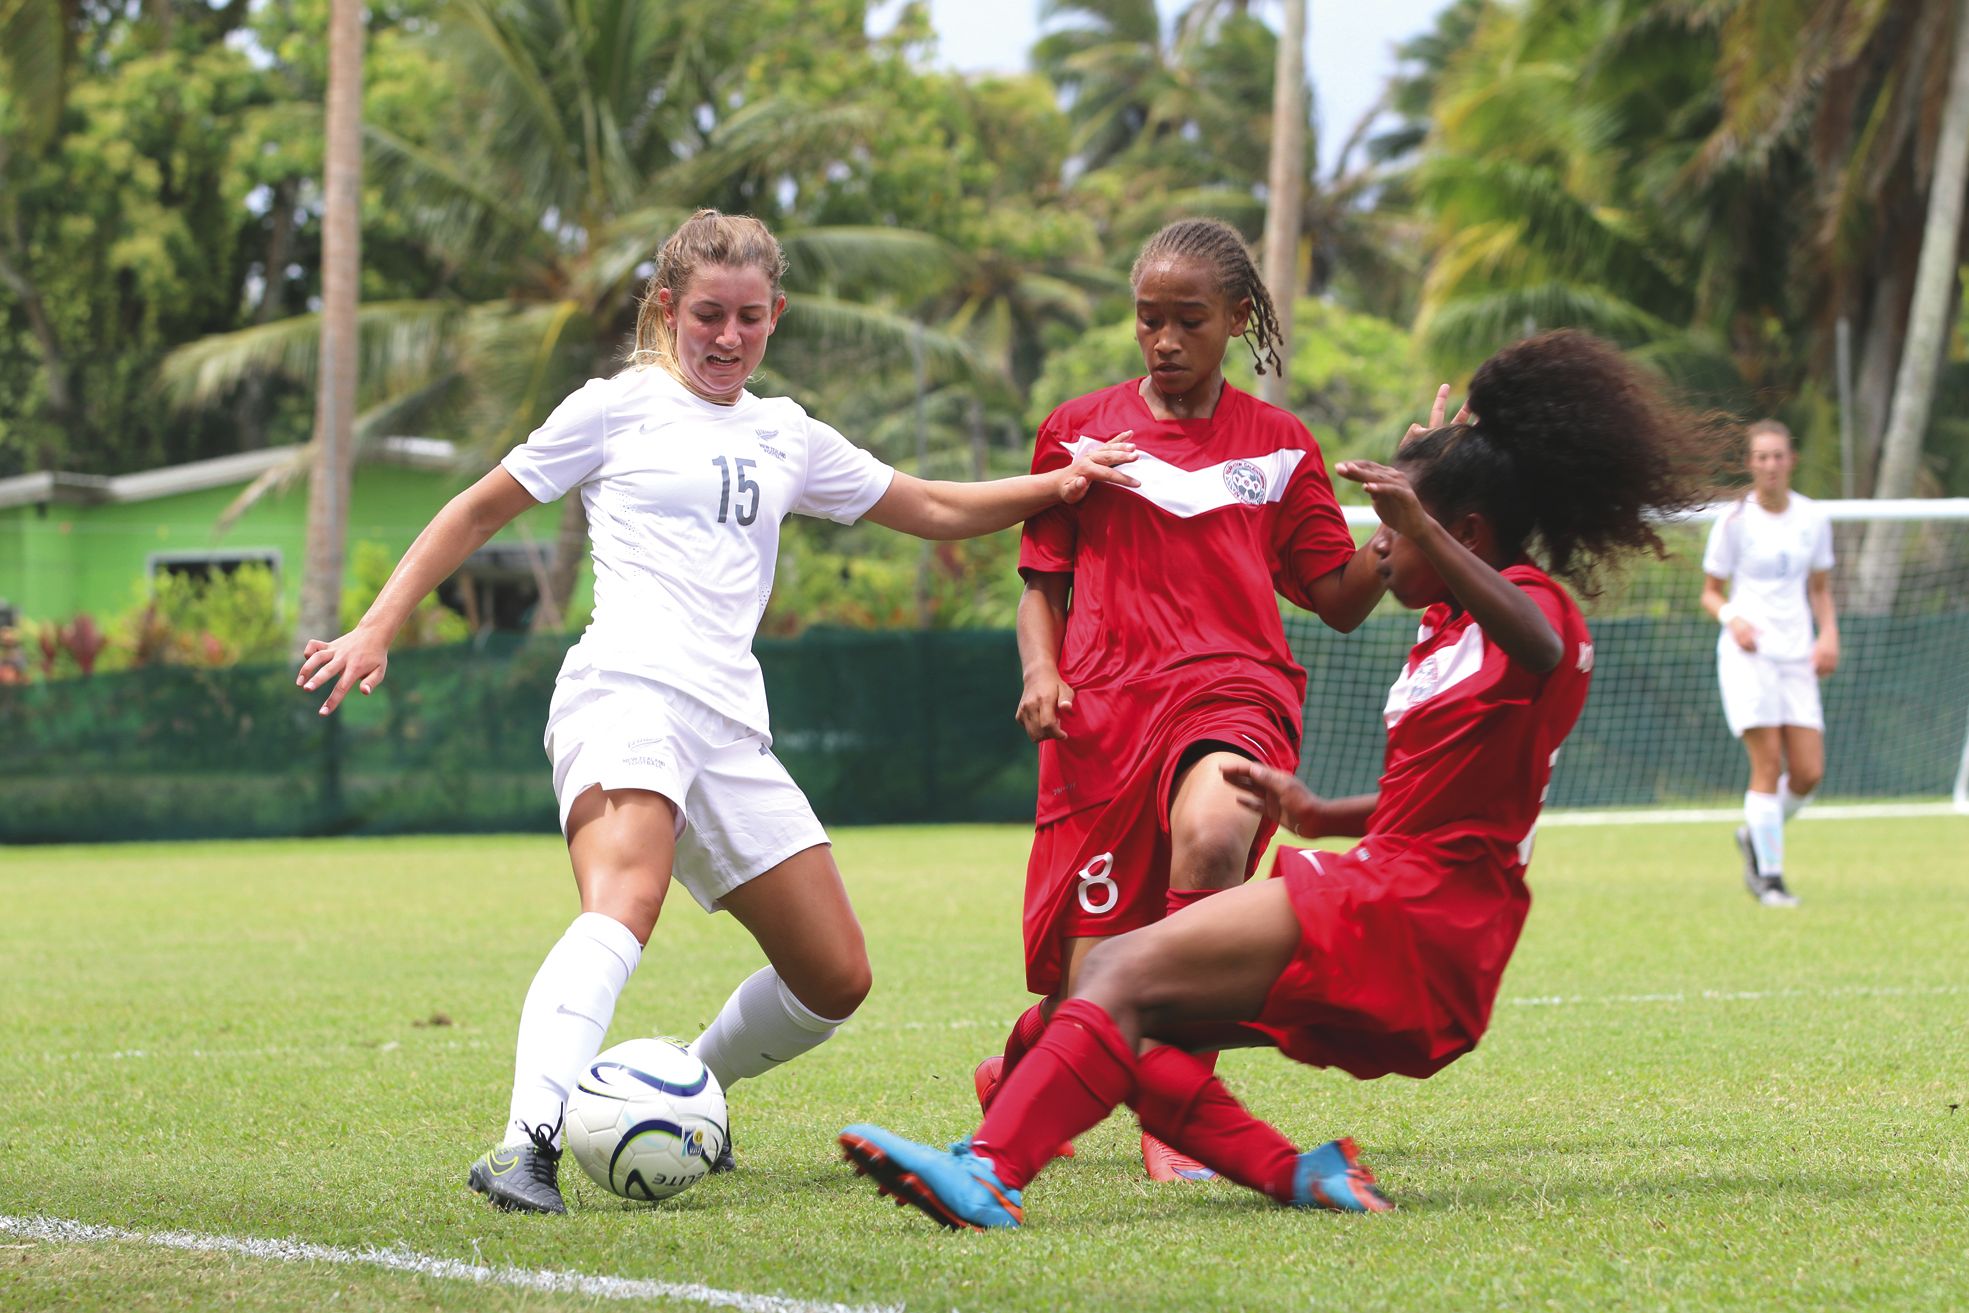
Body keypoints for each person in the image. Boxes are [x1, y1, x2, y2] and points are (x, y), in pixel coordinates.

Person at [296, 209, 1138, 1215]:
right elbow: (478, 508)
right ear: (666, 309)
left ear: (774, 315)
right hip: (624, 691)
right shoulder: (614, 408)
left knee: (834, 976)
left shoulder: (786, 433)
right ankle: (525, 1143)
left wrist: (1060, 481)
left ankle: (682, 1090)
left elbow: (931, 506)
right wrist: (377, 625)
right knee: (626, 899)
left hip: (731, 728)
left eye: (748, 317)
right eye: (706, 315)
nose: (727, 337)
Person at [838, 329, 1718, 1229]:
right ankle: (1298, 1173)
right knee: (1127, 1012)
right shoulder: (1451, 624)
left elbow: (1534, 647)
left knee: (1120, 971)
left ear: (1463, 537)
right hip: (1410, 917)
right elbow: (1459, 798)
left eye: (1395, 531)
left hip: (1415, 914)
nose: (1380, 547)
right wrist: (1322, 809)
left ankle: (988, 1168)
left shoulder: (1537, 612)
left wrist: (1425, 517)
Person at [976, 218, 1385, 1181]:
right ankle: (1025, 1064)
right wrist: (1042, 672)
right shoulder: (1078, 429)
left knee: (1213, 833)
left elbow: (1335, 599)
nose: (1163, 340)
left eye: (1187, 320)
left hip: (1234, 693)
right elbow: (1042, 582)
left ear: (1237, 319)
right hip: (1102, 719)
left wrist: (1402, 528)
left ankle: (1178, 1122)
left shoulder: (1282, 446)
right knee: (1097, 984)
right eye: (1147, 320)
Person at [1700, 420, 1838, 908]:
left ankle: (1755, 834)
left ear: (1791, 461)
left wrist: (1829, 635)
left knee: (1808, 772)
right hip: (1748, 656)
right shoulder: (1734, 520)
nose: (1771, 465)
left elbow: (1819, 589)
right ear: (1750, 464)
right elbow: (1711, 593)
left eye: (1778, 456)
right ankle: (1771, 878)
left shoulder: (1812, 519)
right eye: (1762, 457)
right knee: (1768, 762)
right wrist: (1735, 619)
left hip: (1797, 655)